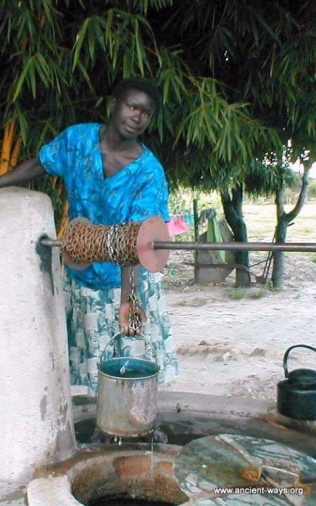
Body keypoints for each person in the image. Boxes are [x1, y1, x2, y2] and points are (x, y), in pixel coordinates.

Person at [0, 77, 179, 396]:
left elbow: (134, 242)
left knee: (129, 374)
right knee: (94, 375)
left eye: (146, 112)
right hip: (82, 275)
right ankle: (105, 426)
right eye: (132, 106)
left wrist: (128, 300)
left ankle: (130, 427)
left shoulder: (148, 173)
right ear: (113, 105)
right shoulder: (77, 141)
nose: (138, 116)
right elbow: (40, 164)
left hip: (126, 280)